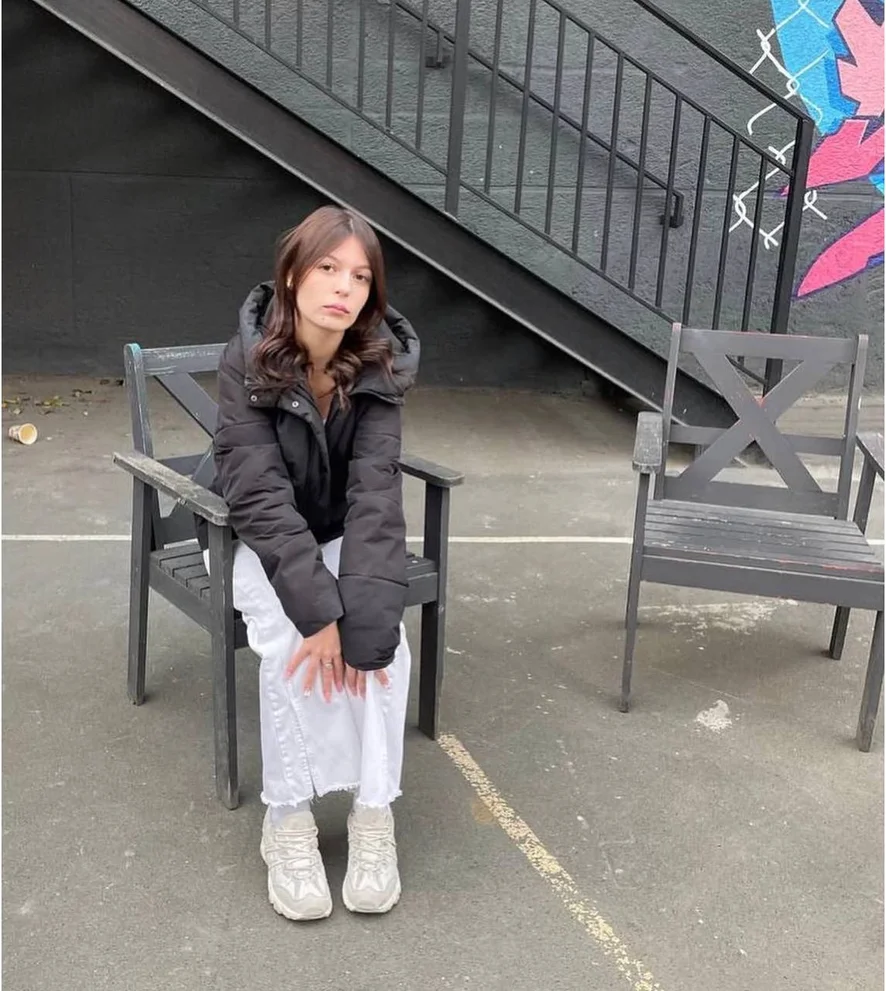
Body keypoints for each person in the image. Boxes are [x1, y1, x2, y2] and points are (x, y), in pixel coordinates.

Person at [198, 204, 419, 921]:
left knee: (385, 646)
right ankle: (287, 819)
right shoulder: (248, 359)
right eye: (327, 267)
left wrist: (362, 628)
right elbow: (258, 496)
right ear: (293, 274)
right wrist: (319, 613)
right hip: (253, 536)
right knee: (291, 640)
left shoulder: (380, 366)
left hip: (340, 531)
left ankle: (373, 813)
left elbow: (376, 495)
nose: (343, 287)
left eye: (360, 276)